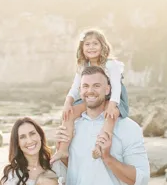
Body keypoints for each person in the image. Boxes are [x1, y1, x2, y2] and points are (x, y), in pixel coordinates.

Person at [51, 29, 128, 163]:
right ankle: (63, 149)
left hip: (112, 98)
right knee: (70, 113)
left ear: (102, 46)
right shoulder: (83, 66)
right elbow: (75, 87)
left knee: (111, 116)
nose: (91, 47)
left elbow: (116, 88)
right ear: (82, 48)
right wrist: (68, 102)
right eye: (87, 44)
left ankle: (99, 146)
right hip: (91, 97)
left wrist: (112, 105)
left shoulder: (110, 64)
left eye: (95, 44)